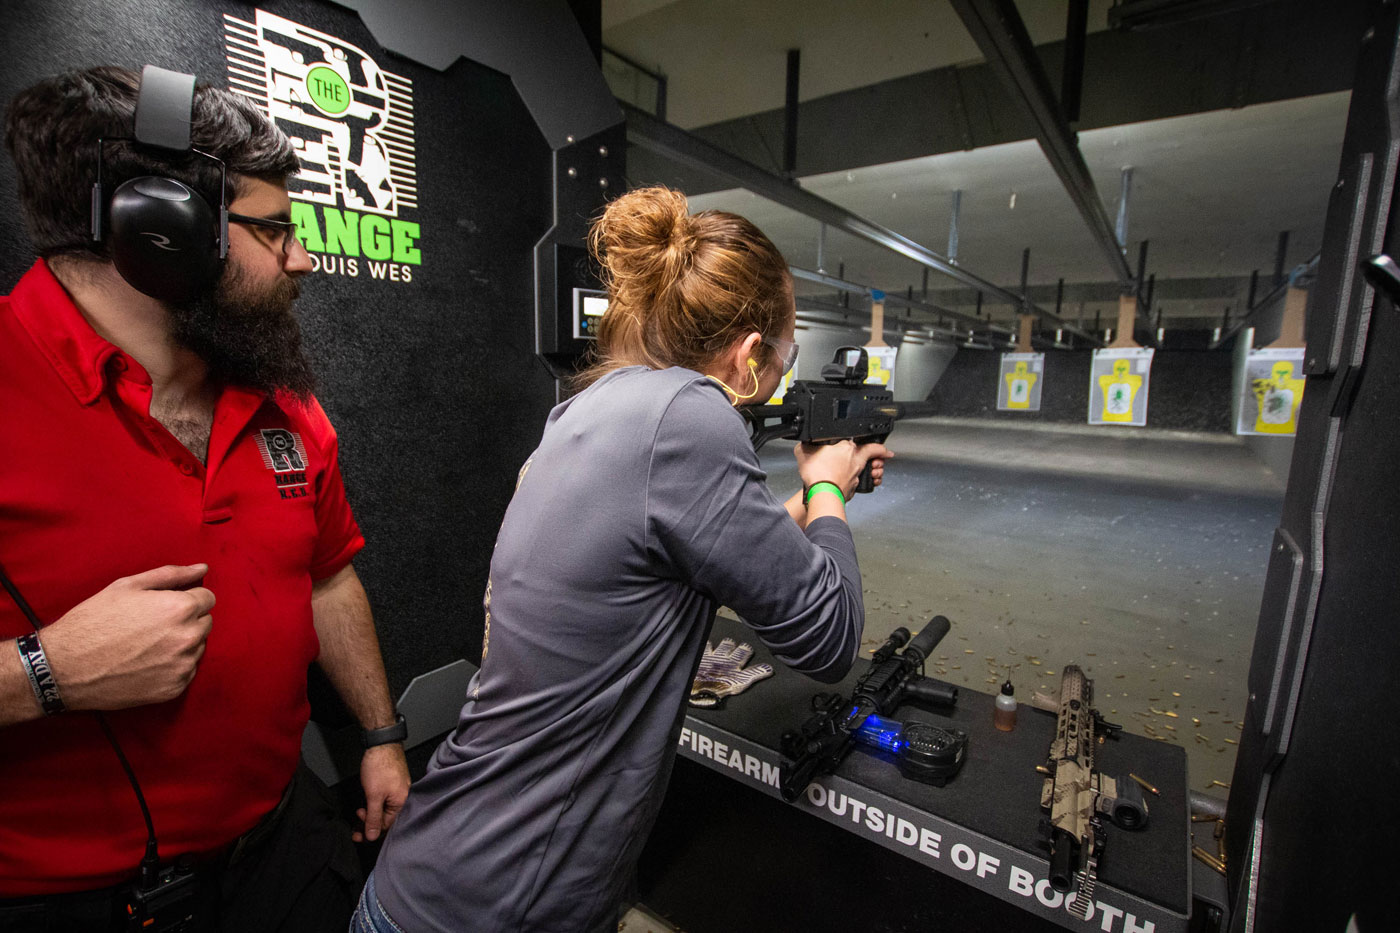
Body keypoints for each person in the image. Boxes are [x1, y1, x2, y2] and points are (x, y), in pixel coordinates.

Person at [355, 186, 892, 932]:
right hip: (501, 902)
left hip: (443, 871)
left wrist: (814, 501)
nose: (779, 373)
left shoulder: (596, 407)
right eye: (784, 354)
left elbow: (707, 544)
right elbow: (829, 637)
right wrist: (830, 479)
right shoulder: (691, 419)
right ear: (747, 354)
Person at [0, 66, 409, 931]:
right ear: (162, 234)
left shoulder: (282, 398)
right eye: (275, 230)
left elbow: (327, 577)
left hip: (282, 845)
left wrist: (379, 736)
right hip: (62, 898)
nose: (301, 257)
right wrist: (42, 673)